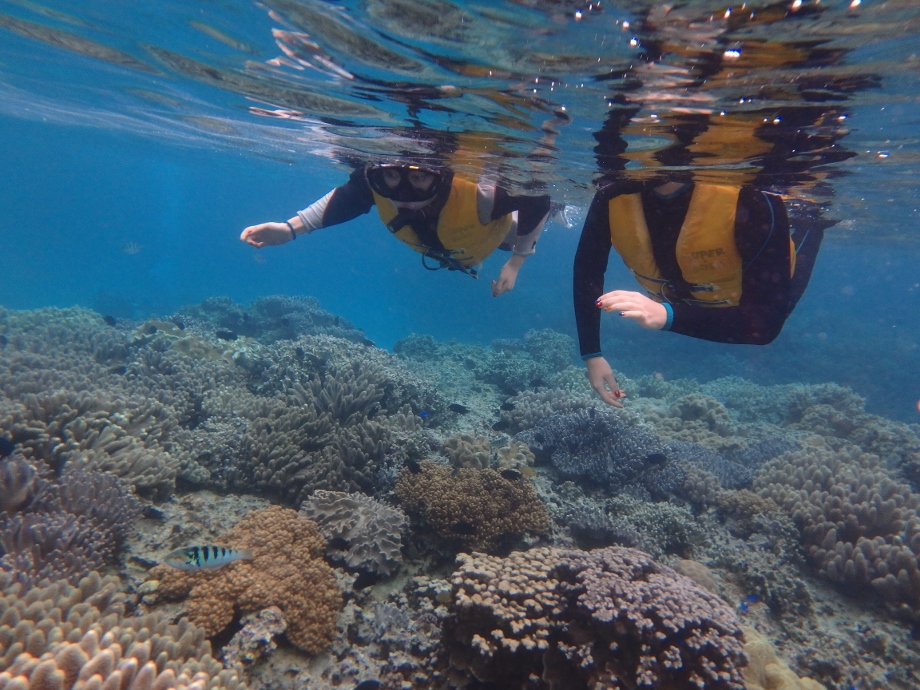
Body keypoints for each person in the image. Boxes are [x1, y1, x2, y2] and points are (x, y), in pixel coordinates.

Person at [574, 178, 824, 406]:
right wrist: (592, 354)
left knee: (800, 259)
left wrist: (665, 316)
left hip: (744, 300)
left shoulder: (754, 197)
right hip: (677, 293)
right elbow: (588, 270)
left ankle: (817, 221)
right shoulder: (612, 194)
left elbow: (765, 324)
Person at [240, 162, 554, 297]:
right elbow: (345, 199)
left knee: (519, 225)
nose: (402, 193)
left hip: (495, 235)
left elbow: (538, 199)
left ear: (440, 177)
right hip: (451, 249)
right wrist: (288, 229)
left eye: (419, 179)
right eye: (391, 177)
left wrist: (516, 261)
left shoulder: (483, 195)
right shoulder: (374, 186)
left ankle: (561, 214)